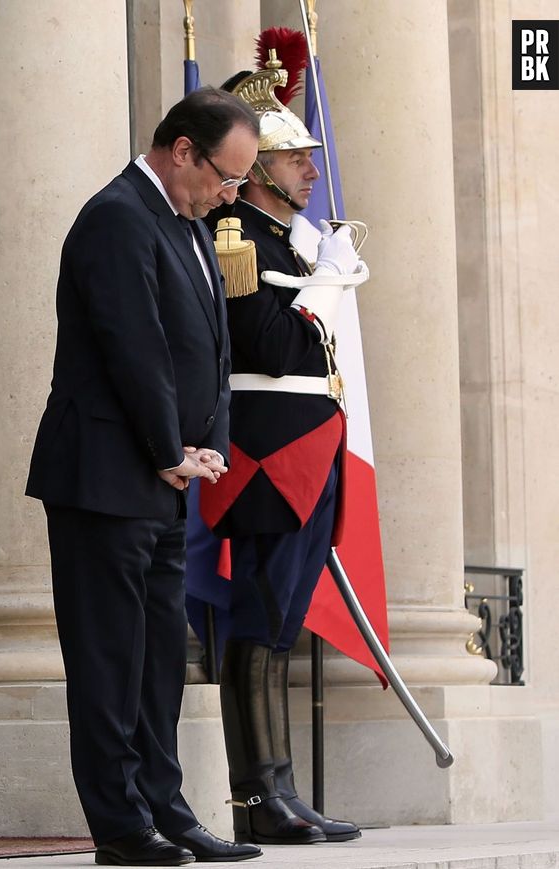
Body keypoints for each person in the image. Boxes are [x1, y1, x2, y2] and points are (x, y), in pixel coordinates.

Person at [26, 87, 262, 867]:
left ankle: (168, 806)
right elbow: (136, 346)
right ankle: (120, 824)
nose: (230, 195)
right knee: (110, 659)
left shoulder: (187, 222)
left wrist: (210, 448)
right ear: (183, 150)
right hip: (105, 477)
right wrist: (170, 448)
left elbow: (213, 353)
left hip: (168, 479)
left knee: (161, 656)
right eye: (224, 177)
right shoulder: (118, 215)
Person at [200, 50, 368, 846]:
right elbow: (267, 345)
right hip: (268, 456)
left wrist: (319, 270)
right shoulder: (239, 234)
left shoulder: (289, 241)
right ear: (257, 167)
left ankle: (286, 790)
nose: (310, 170)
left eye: (306, 156)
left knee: (283, 625)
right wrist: (328, 284)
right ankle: (257, 796)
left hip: (305, 448)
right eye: (296, 158)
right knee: (258, 623)